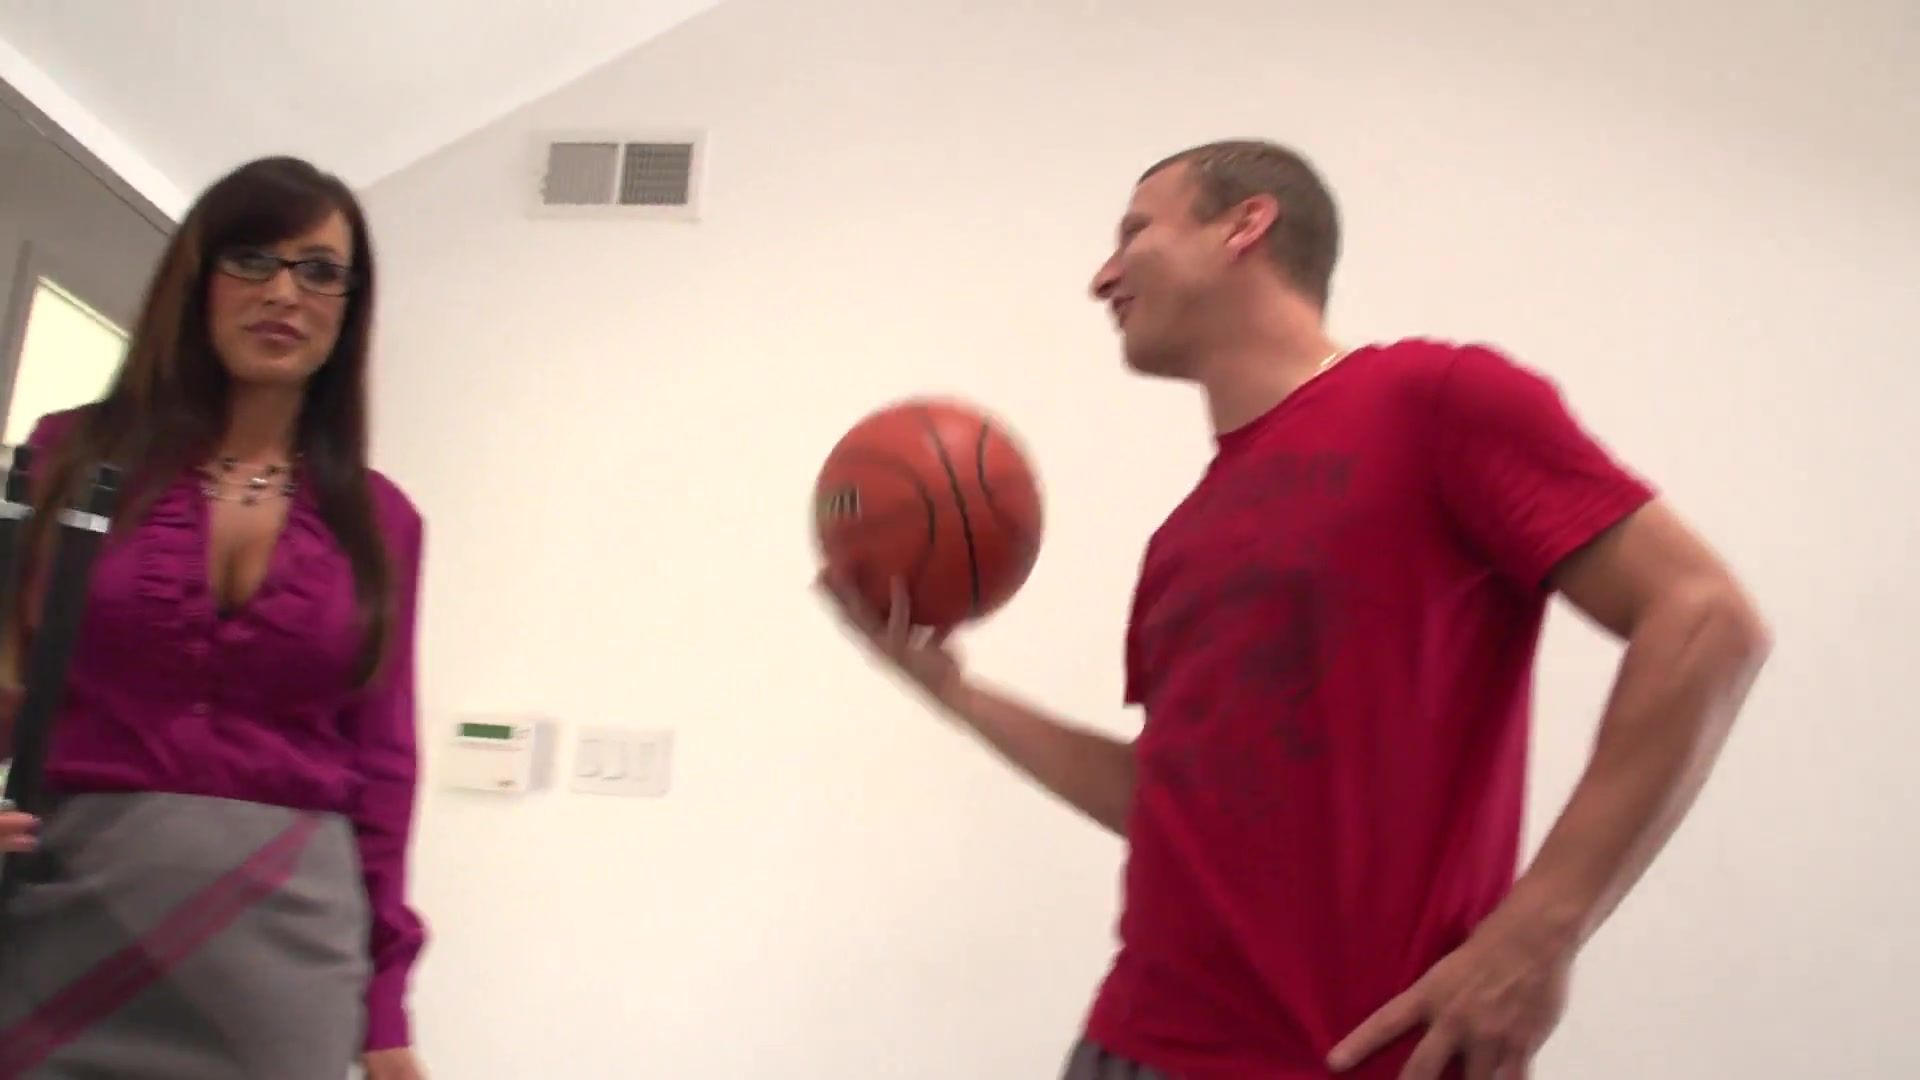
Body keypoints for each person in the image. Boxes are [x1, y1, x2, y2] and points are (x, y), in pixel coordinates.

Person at [818, 139, 1772, 1079]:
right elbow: (1173, 802)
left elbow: (1705, 621)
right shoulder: (1185, 539)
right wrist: (954, 693)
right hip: (1130, 1045)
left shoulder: (1435, 400)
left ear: (1245, 225)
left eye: (1135, 232)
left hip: (1349, 1059)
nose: (1103, 277)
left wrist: (1539, 933)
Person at [0, 157, 428, 1080]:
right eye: (252, 259)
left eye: (320, 270)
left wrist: (386, 1009)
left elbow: (384, 769)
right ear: (195, 279)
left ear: (350, 305)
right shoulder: (63, 455)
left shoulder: (383, 520)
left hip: (288, 963)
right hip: (61, 916)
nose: (284, 292)